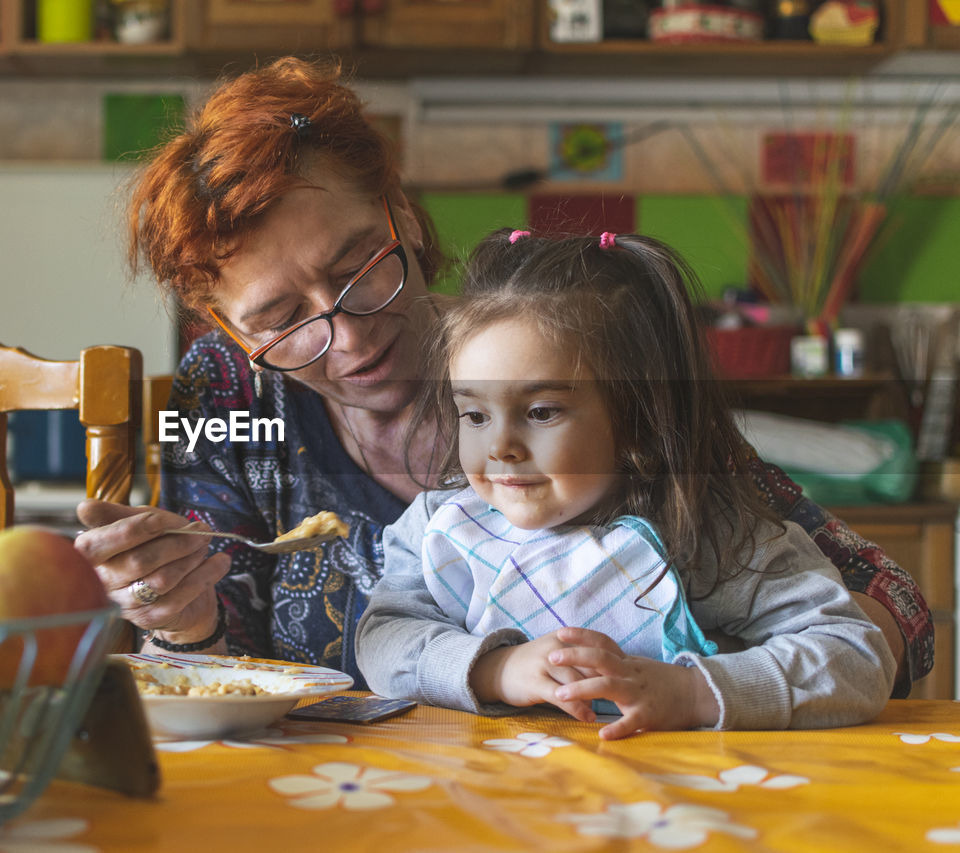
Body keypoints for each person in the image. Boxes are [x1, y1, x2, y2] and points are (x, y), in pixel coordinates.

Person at [72, 56, 931, 696]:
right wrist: (183, 619)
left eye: (357, 268)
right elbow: (208, 664)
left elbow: (892, 606)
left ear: (400, 214)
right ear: (222, 327)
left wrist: (700, 679)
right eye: (280, 318)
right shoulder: (221, 393)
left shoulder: (544, 353)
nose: (345, 333)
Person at [355, 230, 895, 738]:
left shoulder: (709, 532)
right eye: (474, 415)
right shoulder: (440, 529)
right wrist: (496, 669)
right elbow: (383, 640)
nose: (500, 447)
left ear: (638, 417)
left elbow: (856, 654)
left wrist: (694, 692)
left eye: (541, 411)